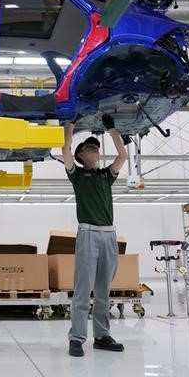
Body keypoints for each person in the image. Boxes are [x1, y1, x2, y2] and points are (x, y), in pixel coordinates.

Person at [62, 114, 128, 357]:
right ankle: (77, 338)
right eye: (90, 149)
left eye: (96, 148)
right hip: (88, 234)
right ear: (81, 155)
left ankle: (102, 336)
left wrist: (112, 129)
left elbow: (123, 156)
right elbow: (65, 149)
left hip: (109, 236)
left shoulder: (106, 176)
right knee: (82, 289)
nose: (95, 151)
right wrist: (70, 123)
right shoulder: (77, 175)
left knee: (103, 290)